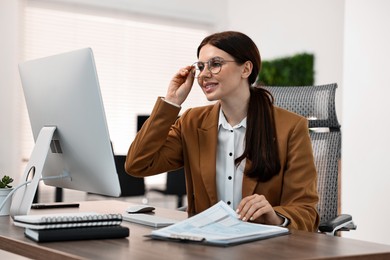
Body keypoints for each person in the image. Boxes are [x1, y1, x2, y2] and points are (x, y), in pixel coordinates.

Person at [125, 31, 319, 232]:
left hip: (263, 247)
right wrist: (171, 103)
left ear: (245, 69)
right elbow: (138, 165)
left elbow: (306, 211)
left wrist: (275, 217)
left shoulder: (291, 127)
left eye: (215, 64)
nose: (204, 74)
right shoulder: (192, 122)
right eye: (200, 67)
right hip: (205, 245)